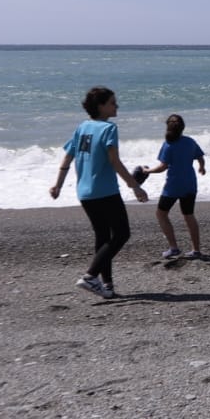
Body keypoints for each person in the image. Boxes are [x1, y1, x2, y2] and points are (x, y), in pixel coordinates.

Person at [49, 87, 149, 299]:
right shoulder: (108, 129)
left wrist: (57, 185)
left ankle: (107, 286)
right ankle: (90, 276)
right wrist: (135, 186)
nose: (117, 106)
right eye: (113, 102)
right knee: (122, 234)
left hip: (85, 193)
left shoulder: (82, 127)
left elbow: (67, 158)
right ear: (101, 106)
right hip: (105, 192)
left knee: (103, 237)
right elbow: (115, 162)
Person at [143, 114, 206, 259]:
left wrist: (148, 171)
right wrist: (202, 168)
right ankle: (196, 250)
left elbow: (162, 167)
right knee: (189, 215)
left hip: (173, 186)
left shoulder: (168, 144)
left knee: (161, 214)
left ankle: (174, 247)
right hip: (190, 184)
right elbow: (200, 157)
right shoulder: (190, 142)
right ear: (182, 128)